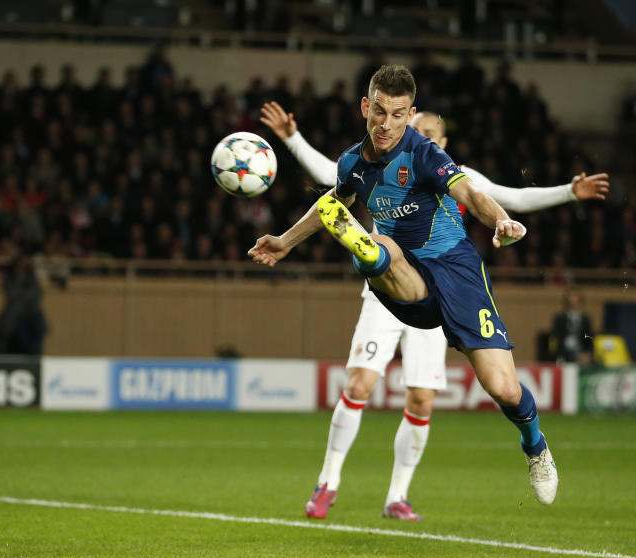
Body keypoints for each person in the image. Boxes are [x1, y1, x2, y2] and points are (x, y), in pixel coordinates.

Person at [259, 101, 608, 520]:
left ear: (439, 142)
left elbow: (507, 197)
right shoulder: (368, 160)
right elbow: (331, 180)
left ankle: (531, 445)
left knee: (501, 389)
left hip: (455, 278)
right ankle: (367, 255)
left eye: (423, 131)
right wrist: (292, 149)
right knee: (362, 365)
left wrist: (559, 196)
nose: (412, 136)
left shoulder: (441, 165)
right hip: (399, 281)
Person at [550, 288, 594, 364]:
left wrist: (588, 354)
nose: (573, 300)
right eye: (571, 298)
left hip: (582, 352)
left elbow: (589, 337)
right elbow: (556, 338)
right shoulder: (559, 318)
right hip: (564, 353)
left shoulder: (585, 319)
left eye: (576, 297)